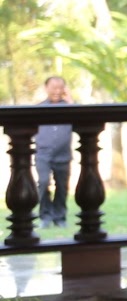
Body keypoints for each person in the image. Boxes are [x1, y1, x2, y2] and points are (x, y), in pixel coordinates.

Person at [34, 75, 74, 230]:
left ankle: (60, 217)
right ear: (46, 88)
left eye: (60, 88)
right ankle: (45, 216)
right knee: (43, 183)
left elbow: (83, 120)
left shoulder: (70, 108)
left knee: (62, 187)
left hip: (63, 154)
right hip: (43, 154)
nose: (57, 91)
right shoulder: (38, 108)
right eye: (54, 88)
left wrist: (71, 102)